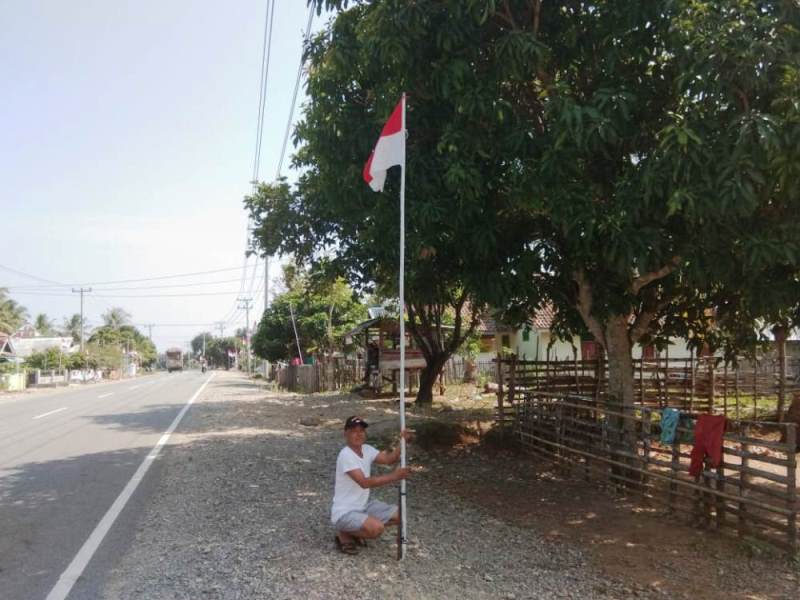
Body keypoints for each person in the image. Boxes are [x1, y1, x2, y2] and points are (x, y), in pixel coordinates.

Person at [331, 415, 411, 555]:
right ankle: (345, 533)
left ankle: (356, 530)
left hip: (363, 506)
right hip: (345, 512)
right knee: (376, 529)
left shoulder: (367, 449)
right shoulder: (346, 455)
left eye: (361, 430)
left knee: (401, 514)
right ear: (346, 434)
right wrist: (394, 476)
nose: (358, 434)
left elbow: (388, 459)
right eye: (354, 431)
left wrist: (403, 441)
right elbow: (364, 483)